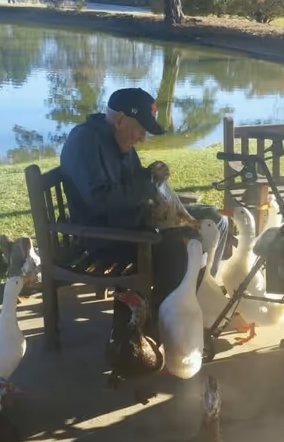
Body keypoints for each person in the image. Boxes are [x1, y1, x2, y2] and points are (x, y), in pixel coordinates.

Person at [60, 87, 228, 304]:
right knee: (184, 243)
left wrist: (151, 176)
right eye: (140, 129)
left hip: (133, 222)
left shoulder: (119, 140)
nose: (142, 138)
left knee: (216, 219)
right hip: (107, 238)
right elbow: (100, 201)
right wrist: (147, 197)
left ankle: (201, 293)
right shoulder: (84, 143)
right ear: (120, 119)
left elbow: (133, 181)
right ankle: (163, 317)